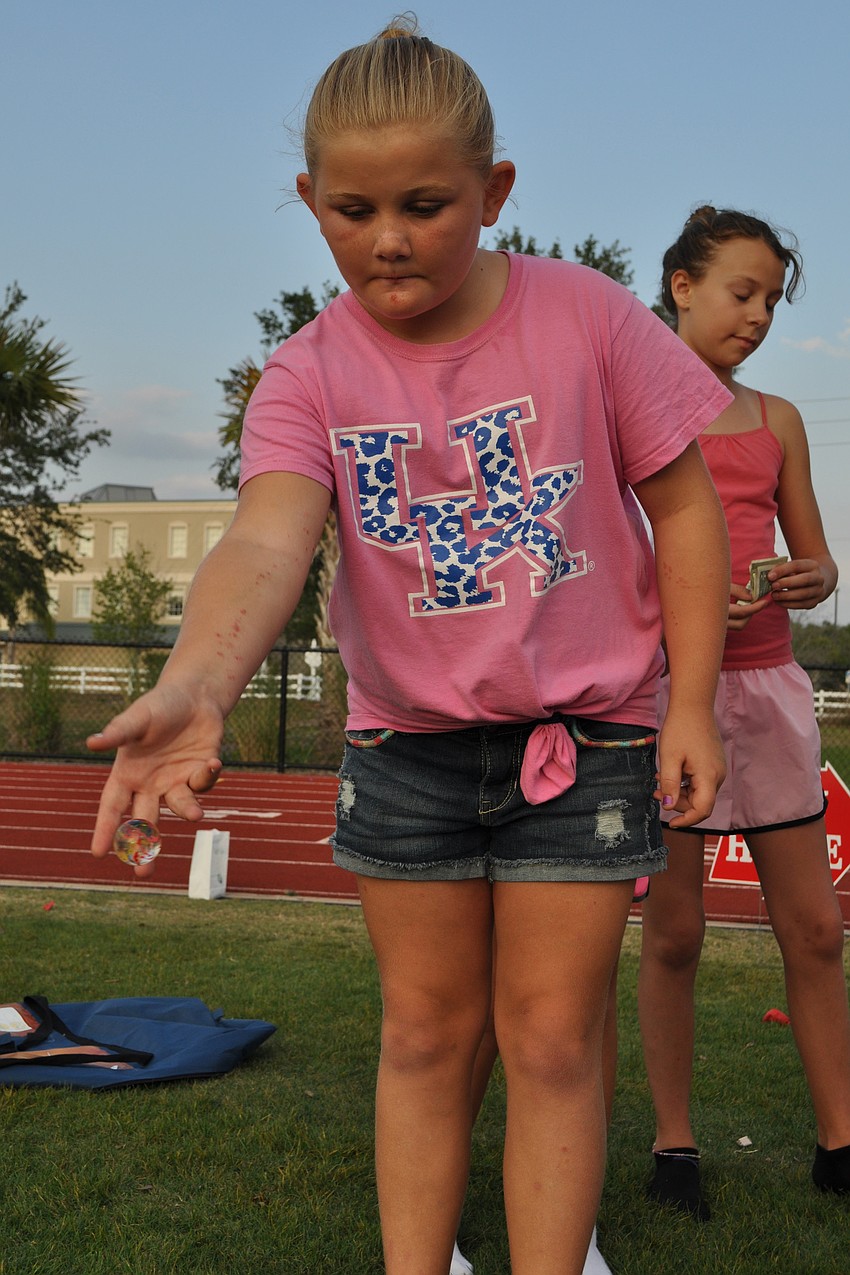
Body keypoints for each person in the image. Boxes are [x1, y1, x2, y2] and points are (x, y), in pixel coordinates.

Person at [88, 20, 733, 1274]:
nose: (388, 236)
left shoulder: (589, 316)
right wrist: (196, 685)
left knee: (551, 1040)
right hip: (409, 754)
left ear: (494, 191)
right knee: (426, 1038)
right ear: (309, 202)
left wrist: (694, 703)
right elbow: (267, 542)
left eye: (427, 204)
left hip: (587, 740)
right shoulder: (306, 374)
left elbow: (688, 506)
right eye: (352, 207)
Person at [638, 206, 850, 1223]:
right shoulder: (623, 407)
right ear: (682, 284)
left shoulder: (776, 421)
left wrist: (807, 578)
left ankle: (839, 1143)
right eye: (741, 291)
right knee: (673, 934)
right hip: (665, 700)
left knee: (813, 929)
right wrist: (677, 595)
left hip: (767, 698)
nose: (758, 315)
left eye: (772, 299)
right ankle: (672, 1146)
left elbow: (817, 563)